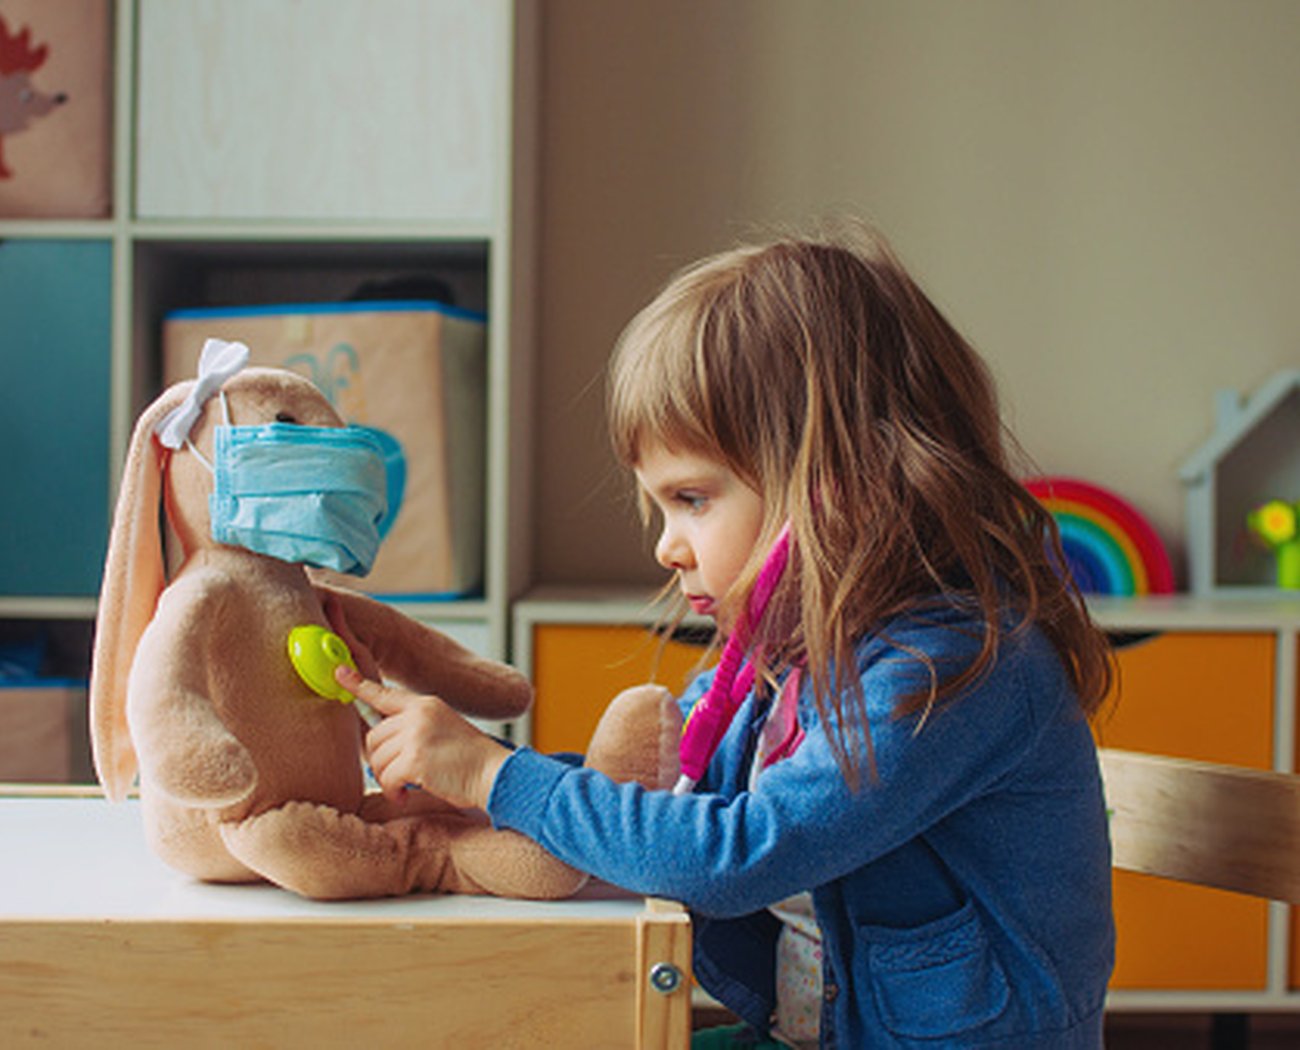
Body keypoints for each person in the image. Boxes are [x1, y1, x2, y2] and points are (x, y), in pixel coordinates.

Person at [337, 221, 1116, 1048]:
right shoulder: (783, 660)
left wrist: (500, 774)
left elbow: (733, 853)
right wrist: (474, 790)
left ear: (839, 484)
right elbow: (668, 805)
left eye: (693, 499)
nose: (666, 545)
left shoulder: (951, 670)